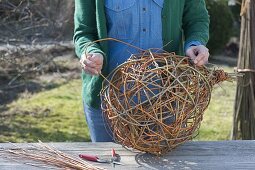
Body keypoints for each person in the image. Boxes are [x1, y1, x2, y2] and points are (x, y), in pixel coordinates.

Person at [73, 0, 210, 142]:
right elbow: (84, 32)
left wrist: (195, 43)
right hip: (107, 104)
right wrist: (91, 52)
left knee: (166, 163)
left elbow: (197, 19)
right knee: (108, 163)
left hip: (166, 103)